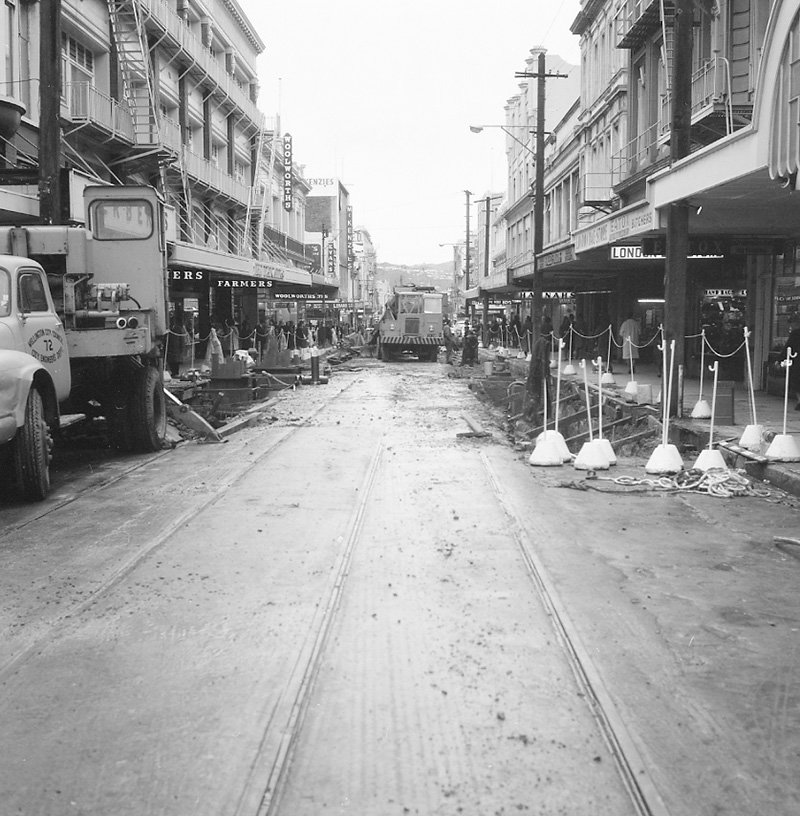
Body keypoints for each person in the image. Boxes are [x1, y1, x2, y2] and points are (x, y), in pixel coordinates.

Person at [784, 313, 800, 409]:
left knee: (796, 381)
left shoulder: (795, 333)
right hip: (796, 360)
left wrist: (780, 358)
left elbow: (788, 346)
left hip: (797, 360)